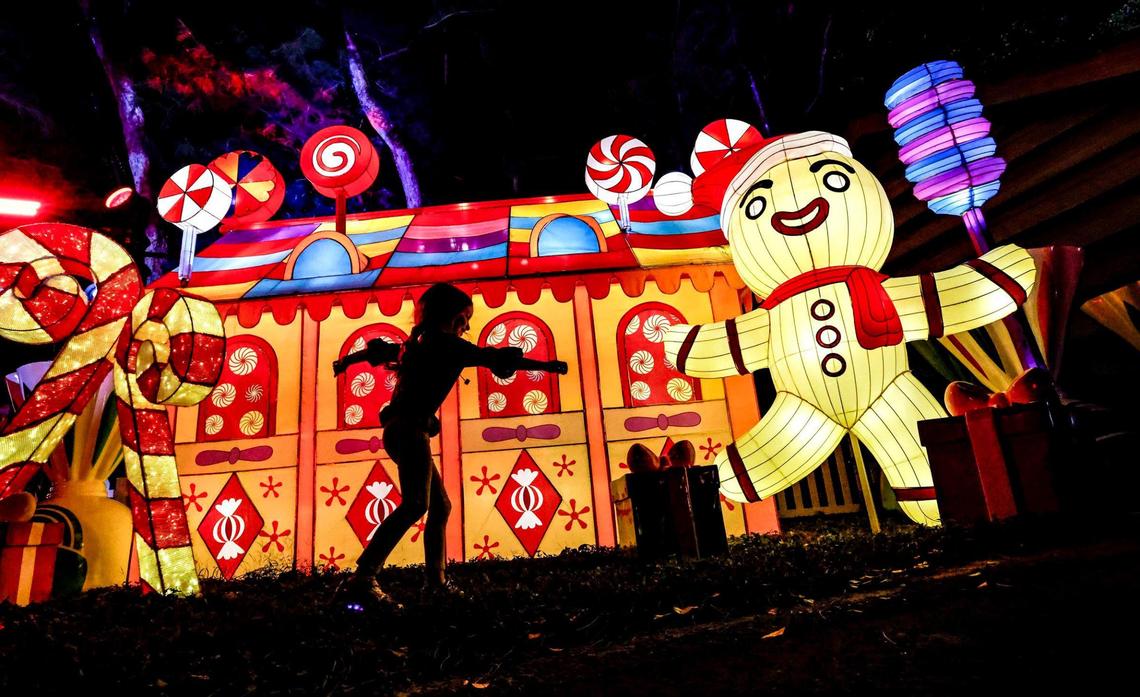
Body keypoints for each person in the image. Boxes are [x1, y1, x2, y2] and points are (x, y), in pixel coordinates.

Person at [339, 282, 567, 605]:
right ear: (451, 317)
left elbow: (381, 352)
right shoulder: (446, 345)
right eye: (464, 318)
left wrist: (347, 363)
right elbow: (486, 356)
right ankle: (364, 576)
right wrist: (543, 366)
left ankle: (435, 581)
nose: (468, 326)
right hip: (411, 429)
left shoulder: (416, 343)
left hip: (399, 429)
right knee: (417, 503)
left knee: (439, 505)